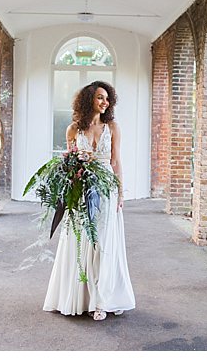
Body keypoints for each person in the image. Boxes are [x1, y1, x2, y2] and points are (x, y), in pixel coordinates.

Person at [43, 81, 136, 320]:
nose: (105, 102)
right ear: (88, 100)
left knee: (103, 242)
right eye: (100, 97)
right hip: (83, 189)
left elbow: (116, 162)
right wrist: (73, 179)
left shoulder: (113, 127)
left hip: (106, 190)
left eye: (107, 98)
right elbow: (70, 163)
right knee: (83, 240)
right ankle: (82, 297)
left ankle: (101, 301)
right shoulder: (73, 130)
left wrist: (121, 192)